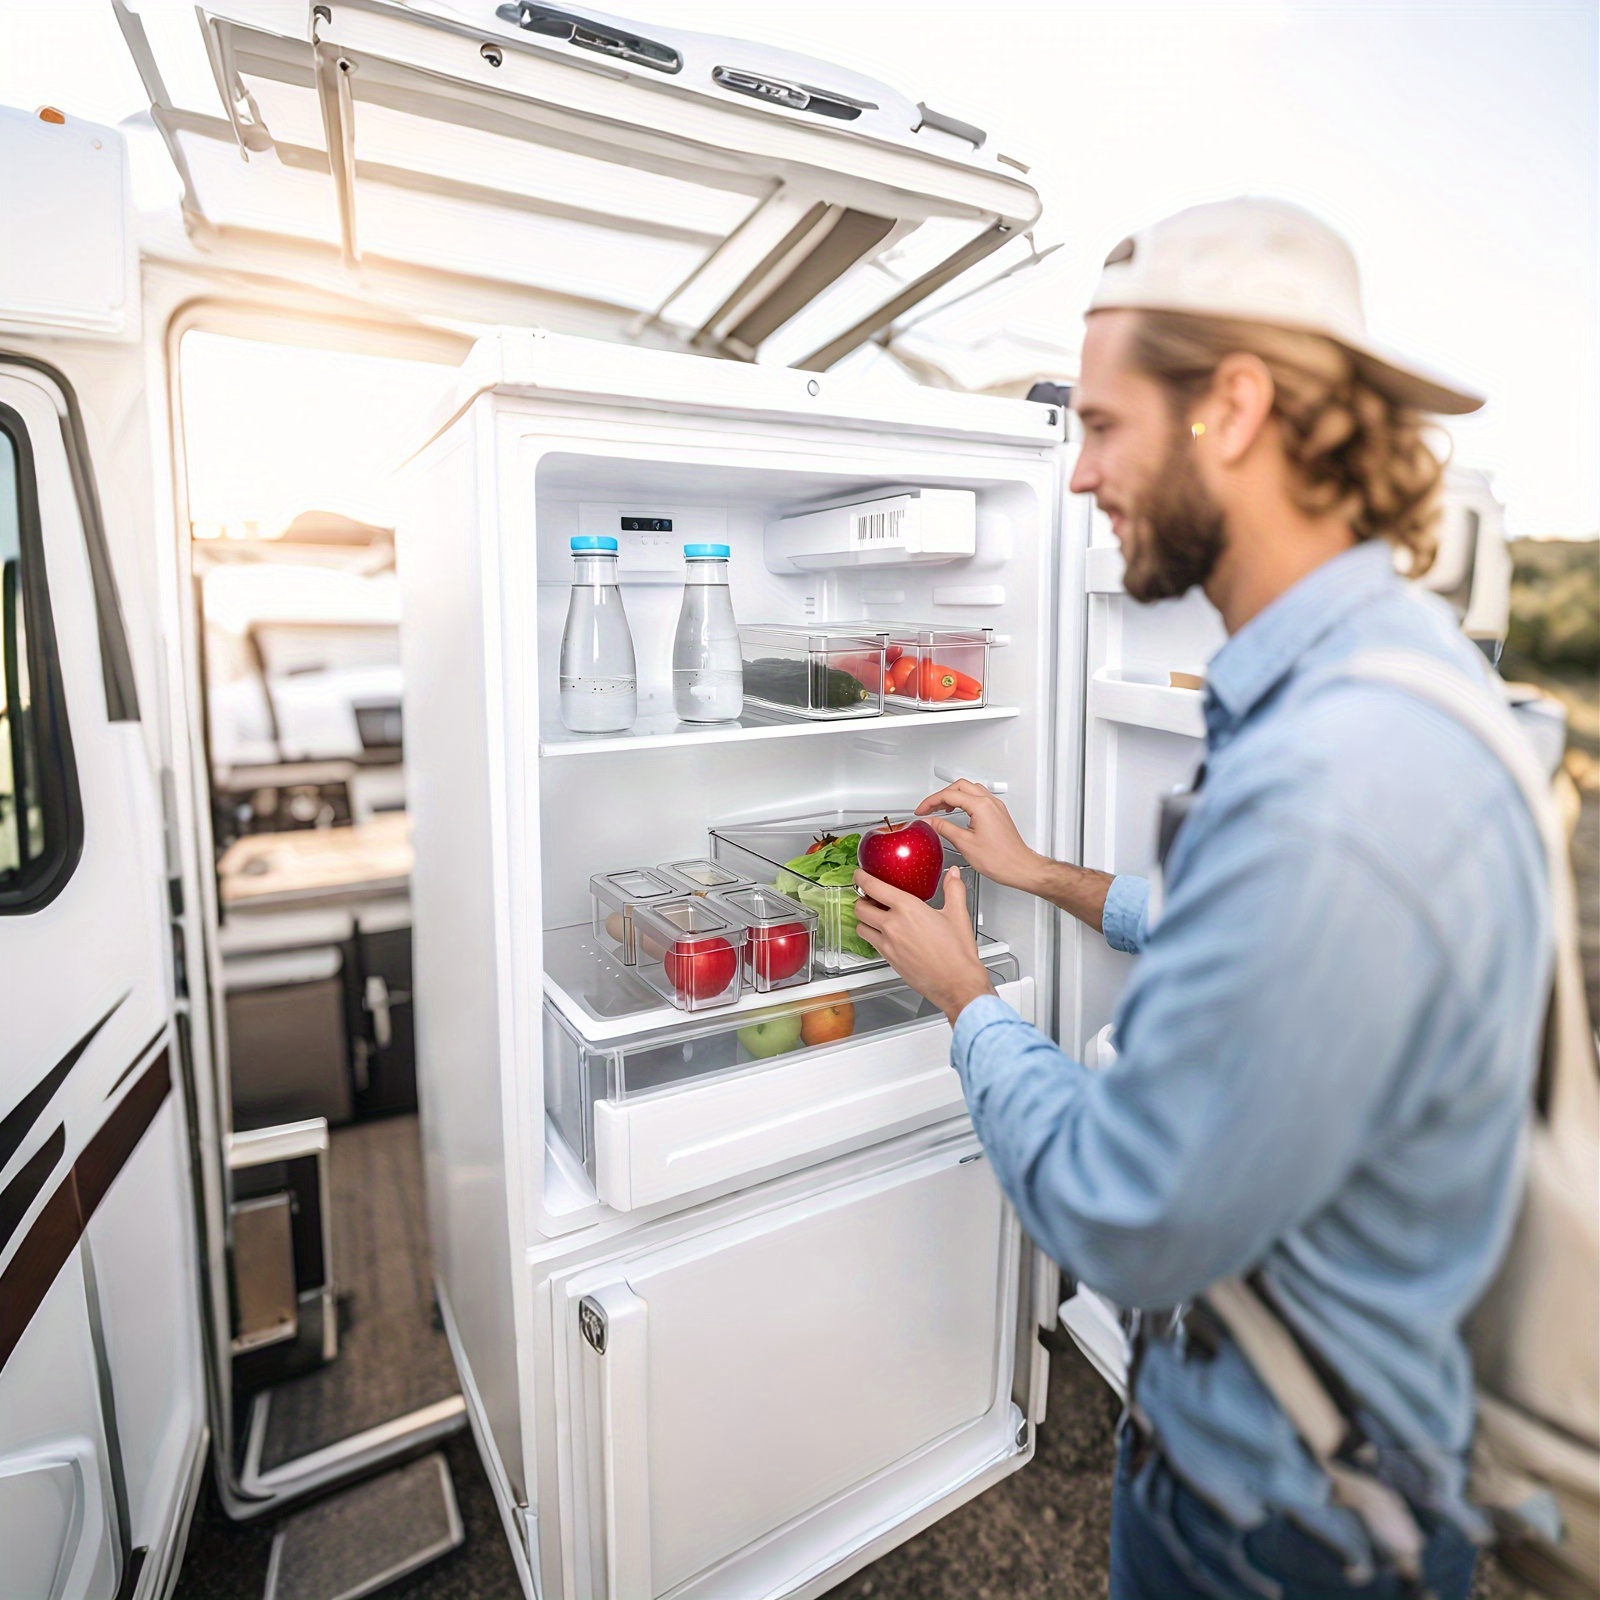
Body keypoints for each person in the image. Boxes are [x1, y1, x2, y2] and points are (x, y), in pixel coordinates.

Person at [852, 198, 1550, 1600]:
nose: (1076, 476)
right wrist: (1039, 874)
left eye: (1102, 426)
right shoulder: (1398, 678)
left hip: (1276, 1527)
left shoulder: (1339, 778)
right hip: (1345, 1468)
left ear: (1228, 408)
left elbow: (1123, 1210)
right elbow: (1265, 956)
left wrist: (969, 1002)